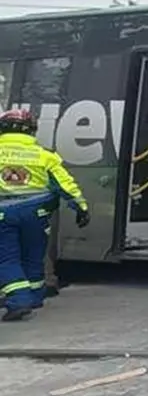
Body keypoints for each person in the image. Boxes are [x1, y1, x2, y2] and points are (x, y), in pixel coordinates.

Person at [0, 109, 90, 321]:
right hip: (37, 215)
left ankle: (19, 301)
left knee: (7, 259)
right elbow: (65, 186)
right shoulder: (44, 156)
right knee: (33, 255)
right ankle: (34, 296)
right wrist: (81, 208)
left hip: (3, 215)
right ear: (32, 130)